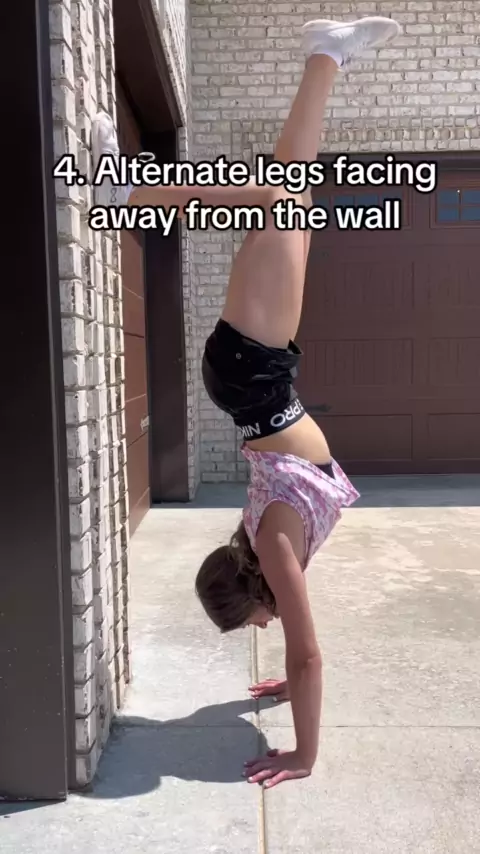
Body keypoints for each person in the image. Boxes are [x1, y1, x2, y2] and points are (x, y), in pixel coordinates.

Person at [91, 15, 401, 789]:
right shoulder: (267, 547)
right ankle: (325, 55)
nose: (264, 628)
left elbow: (307, 653)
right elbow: (300, 656)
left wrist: (302, 754)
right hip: (261, 380)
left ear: (251, 598)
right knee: (293, 188)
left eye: (252, 622)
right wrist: (287, 691)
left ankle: (128, 189)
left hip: (253, 376)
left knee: (281, 198)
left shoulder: (272, 546)